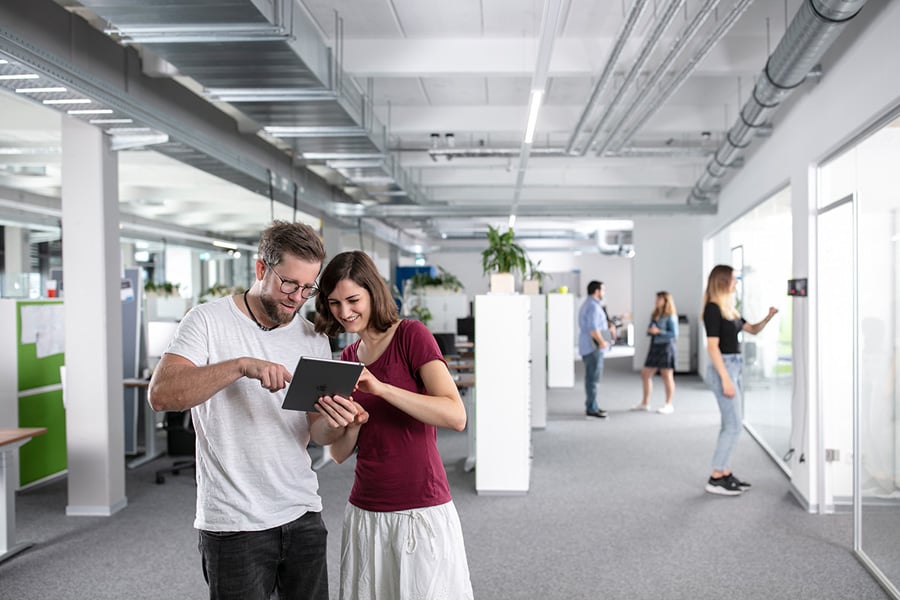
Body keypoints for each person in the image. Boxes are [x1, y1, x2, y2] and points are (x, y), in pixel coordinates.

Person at [149, 221, 364, 600]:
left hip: (302, 512)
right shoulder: (207, 321)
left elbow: (316, 433)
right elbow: (162, 395)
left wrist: (341, 422)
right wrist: (239, 366)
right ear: (261, 269)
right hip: (234, 521)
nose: (297, 298)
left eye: (307, 288)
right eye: (289, 284)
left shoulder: (312, 337)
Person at [313, 250, 474, 600]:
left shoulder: (411, 336)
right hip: (366, 507)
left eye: (353, 299)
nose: (344, 312)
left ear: (373, 292)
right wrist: (352, 423)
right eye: (335, 303)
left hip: (420, 504)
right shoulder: (346, 358)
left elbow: (455, 415)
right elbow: (338, 454)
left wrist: (383, 389)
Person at [702, 264, 778, 496]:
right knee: (735, 425)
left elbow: (752, 329)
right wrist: (725, 378)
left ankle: (724, 471)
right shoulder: (713, 309)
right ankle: (716, 477)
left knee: (730, 423)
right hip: (723, 368)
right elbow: (712, 347)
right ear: (723, 282)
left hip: (734, 367)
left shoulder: (730, 309)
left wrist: (768, 317)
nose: (737, 282)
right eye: (734, 279)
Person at [633, 291, 679, 414]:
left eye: (659, 299)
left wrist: (659, 331)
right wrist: (651, 330)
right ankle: (645, 403)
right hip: (654, 346)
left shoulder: (670, 316)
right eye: (656, 299)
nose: (656, 301)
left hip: (666, 347)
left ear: (665, 301)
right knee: (645, 374)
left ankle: (669, 404)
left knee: (667, 376)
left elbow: (674, 334)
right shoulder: (655, 315)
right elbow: (650, 330)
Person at [578, 280, 612, 419]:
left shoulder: (590, 304)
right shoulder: (593, 306)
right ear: (597, 291)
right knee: (593, 379)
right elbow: (593, 329)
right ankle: (591, 409)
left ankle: (592, 405)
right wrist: (602, 342)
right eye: (603, 290)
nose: (604, 293)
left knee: (591, 378)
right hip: (593, 347)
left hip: (589, 347)